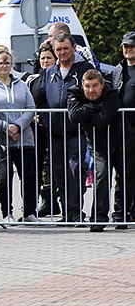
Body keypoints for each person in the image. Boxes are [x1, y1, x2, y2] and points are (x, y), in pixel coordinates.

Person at [68, 69, 133, 231]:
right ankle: (98, 217)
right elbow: (74, 116)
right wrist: (95, 106)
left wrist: (88, 109)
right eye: (88, 86)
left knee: (124, 178)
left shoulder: (111, 93)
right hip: (97, 145)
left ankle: (121, 215)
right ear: (82, 86)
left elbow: (101, 120)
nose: (91, 90)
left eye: (95, 86)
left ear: (102, 85)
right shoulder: (74, 93)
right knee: (101, 177)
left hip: (121, 141)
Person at [37, 33, 92, 223]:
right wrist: (45, 121)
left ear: (74, 48)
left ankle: (76, 212)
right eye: (58, 49)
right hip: (55, 133)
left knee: (75, 171)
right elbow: (42, 99)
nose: (62, 52)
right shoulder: (49, 72)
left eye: (65, 48)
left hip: (77, 131)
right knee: (59, 172)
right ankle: (67, 212)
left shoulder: (84, 69)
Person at [0, 46, 38, 222]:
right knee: (4, 177)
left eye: (7, 62)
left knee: (29, 176)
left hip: (24, 138)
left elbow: (31, 108)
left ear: (12, 64)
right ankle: (7, 213)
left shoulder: (22, 84)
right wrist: (6, 127)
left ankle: (29, 212)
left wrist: (18, 126)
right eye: (0, 63)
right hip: (1, 140)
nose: (4, 66)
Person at [28, 42, 61, 218]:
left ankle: (57, 201)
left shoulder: (56, 78)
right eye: (42, 58)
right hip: (36, 129)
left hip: (54, 127)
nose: (45, 61)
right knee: (39, 167)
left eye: (49, 58)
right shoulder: (34, 79)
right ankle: (45, 202)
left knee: (55, 165)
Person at [110, 31, 135, 226]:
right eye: (125, 46)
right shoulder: (118, 70)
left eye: (131, 46)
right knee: (122, 172)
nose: (128, 50)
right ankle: (120, 213)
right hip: (122, 129)